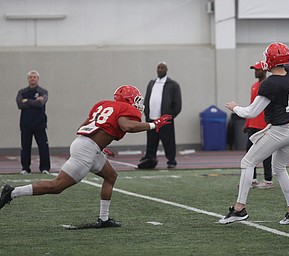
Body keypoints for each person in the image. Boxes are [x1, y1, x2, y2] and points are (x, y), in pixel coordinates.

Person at [1, 85, 172, 228]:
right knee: (57, 186)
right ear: (127, 100)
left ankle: (104, 219)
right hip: (87, 149)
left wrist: (100, 145)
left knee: (111, 176)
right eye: (136, 100)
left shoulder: (103, 104)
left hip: (85, 144)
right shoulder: (125, 110)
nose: (138, 104)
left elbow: (84, 125)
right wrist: (152, 124)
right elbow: (127, 126)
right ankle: (12, 192)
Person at [219, 40, 289, 225]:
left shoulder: (270, 84)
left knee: (247, 162)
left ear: (271, 60)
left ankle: (239, 209)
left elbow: (251, 112)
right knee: (280, 168)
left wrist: (234, 107)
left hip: (279, 131)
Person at [138, 62, 182, 169]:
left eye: (162, 68)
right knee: (151, 141)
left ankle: (171, 161)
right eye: (158, 68)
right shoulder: (152, 83)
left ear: (166, 70)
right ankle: (150, 159)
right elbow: (147, 99)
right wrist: (146, 113)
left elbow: (177, 105)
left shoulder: (173, 85)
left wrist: (168, 117)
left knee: (168, 141)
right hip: (151, 120)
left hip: (164, 120)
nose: (160, 70)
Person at [243, 61, 273, 189]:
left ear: (265, 70)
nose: (255, 72)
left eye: (257, 69)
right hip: (253, 125)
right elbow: (251, 106)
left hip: (265, 124)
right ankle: (253, 179)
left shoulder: (269, 85)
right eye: (254, 69)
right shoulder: (254, 86)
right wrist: (247, 123)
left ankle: (268, 180)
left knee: (266, 153)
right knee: (249, 152)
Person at [16, 70, 51, 175]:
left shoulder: (43, 92)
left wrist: (27, 101)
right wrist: (34, 101)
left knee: (43, 147)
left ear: (37, 79)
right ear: (28, 79)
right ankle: (25, 168)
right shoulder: (21, 92)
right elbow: (20, 105)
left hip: (40, 124)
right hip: (25, 124)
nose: (32, 78)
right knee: (25, 147)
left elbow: (41, 104)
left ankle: (45, 168)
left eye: (34, 77)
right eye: (30, 77)